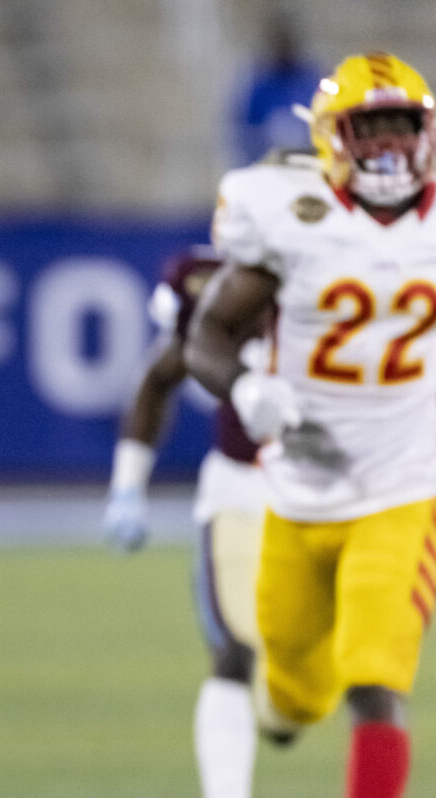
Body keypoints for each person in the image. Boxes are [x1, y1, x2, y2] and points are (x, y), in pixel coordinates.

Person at [186, 52, 436, 798]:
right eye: (372, 128)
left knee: (374, 679)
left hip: (404, 487)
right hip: (296, 493)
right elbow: (206, 338)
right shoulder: (289, 214)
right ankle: (286, 708)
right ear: (333, 136)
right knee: (293, 694)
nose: (391, 147)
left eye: (404, 127)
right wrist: (247, 387)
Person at [104, 242, 273, 798]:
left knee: (322, 674)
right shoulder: (215, 284)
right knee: (232, 651)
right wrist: (128, 487)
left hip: (343, 490)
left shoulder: (353, 270)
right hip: (243, 486)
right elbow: (161, 374)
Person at [229, 9, 323, 166]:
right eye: (278, 42)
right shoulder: (256, 85)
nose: (283, 47)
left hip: (309, 166)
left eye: (287, 41)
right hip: (268, 168)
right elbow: (242, 133)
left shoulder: (311, 79)